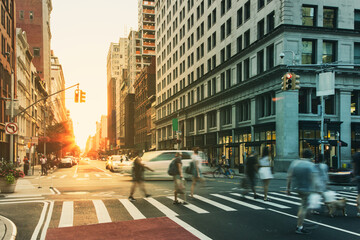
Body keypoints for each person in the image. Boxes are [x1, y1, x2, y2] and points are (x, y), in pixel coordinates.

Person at [287, 149, 318, 234]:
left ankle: (301, 221)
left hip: (297, 188)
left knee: (303, 205)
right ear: (310, 156)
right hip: (307, 189)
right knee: (303, 207)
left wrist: (288, 188)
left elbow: (289, 176)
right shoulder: (311, 165)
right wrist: (315, 190)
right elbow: (314, 178)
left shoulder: (295, 163)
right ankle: (299, 227)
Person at [351, 151, 360, 218]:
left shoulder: (356, 155)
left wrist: (354, 175)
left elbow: (353, 167)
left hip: (358, 176)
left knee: (359, 194)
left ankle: (359, 211)